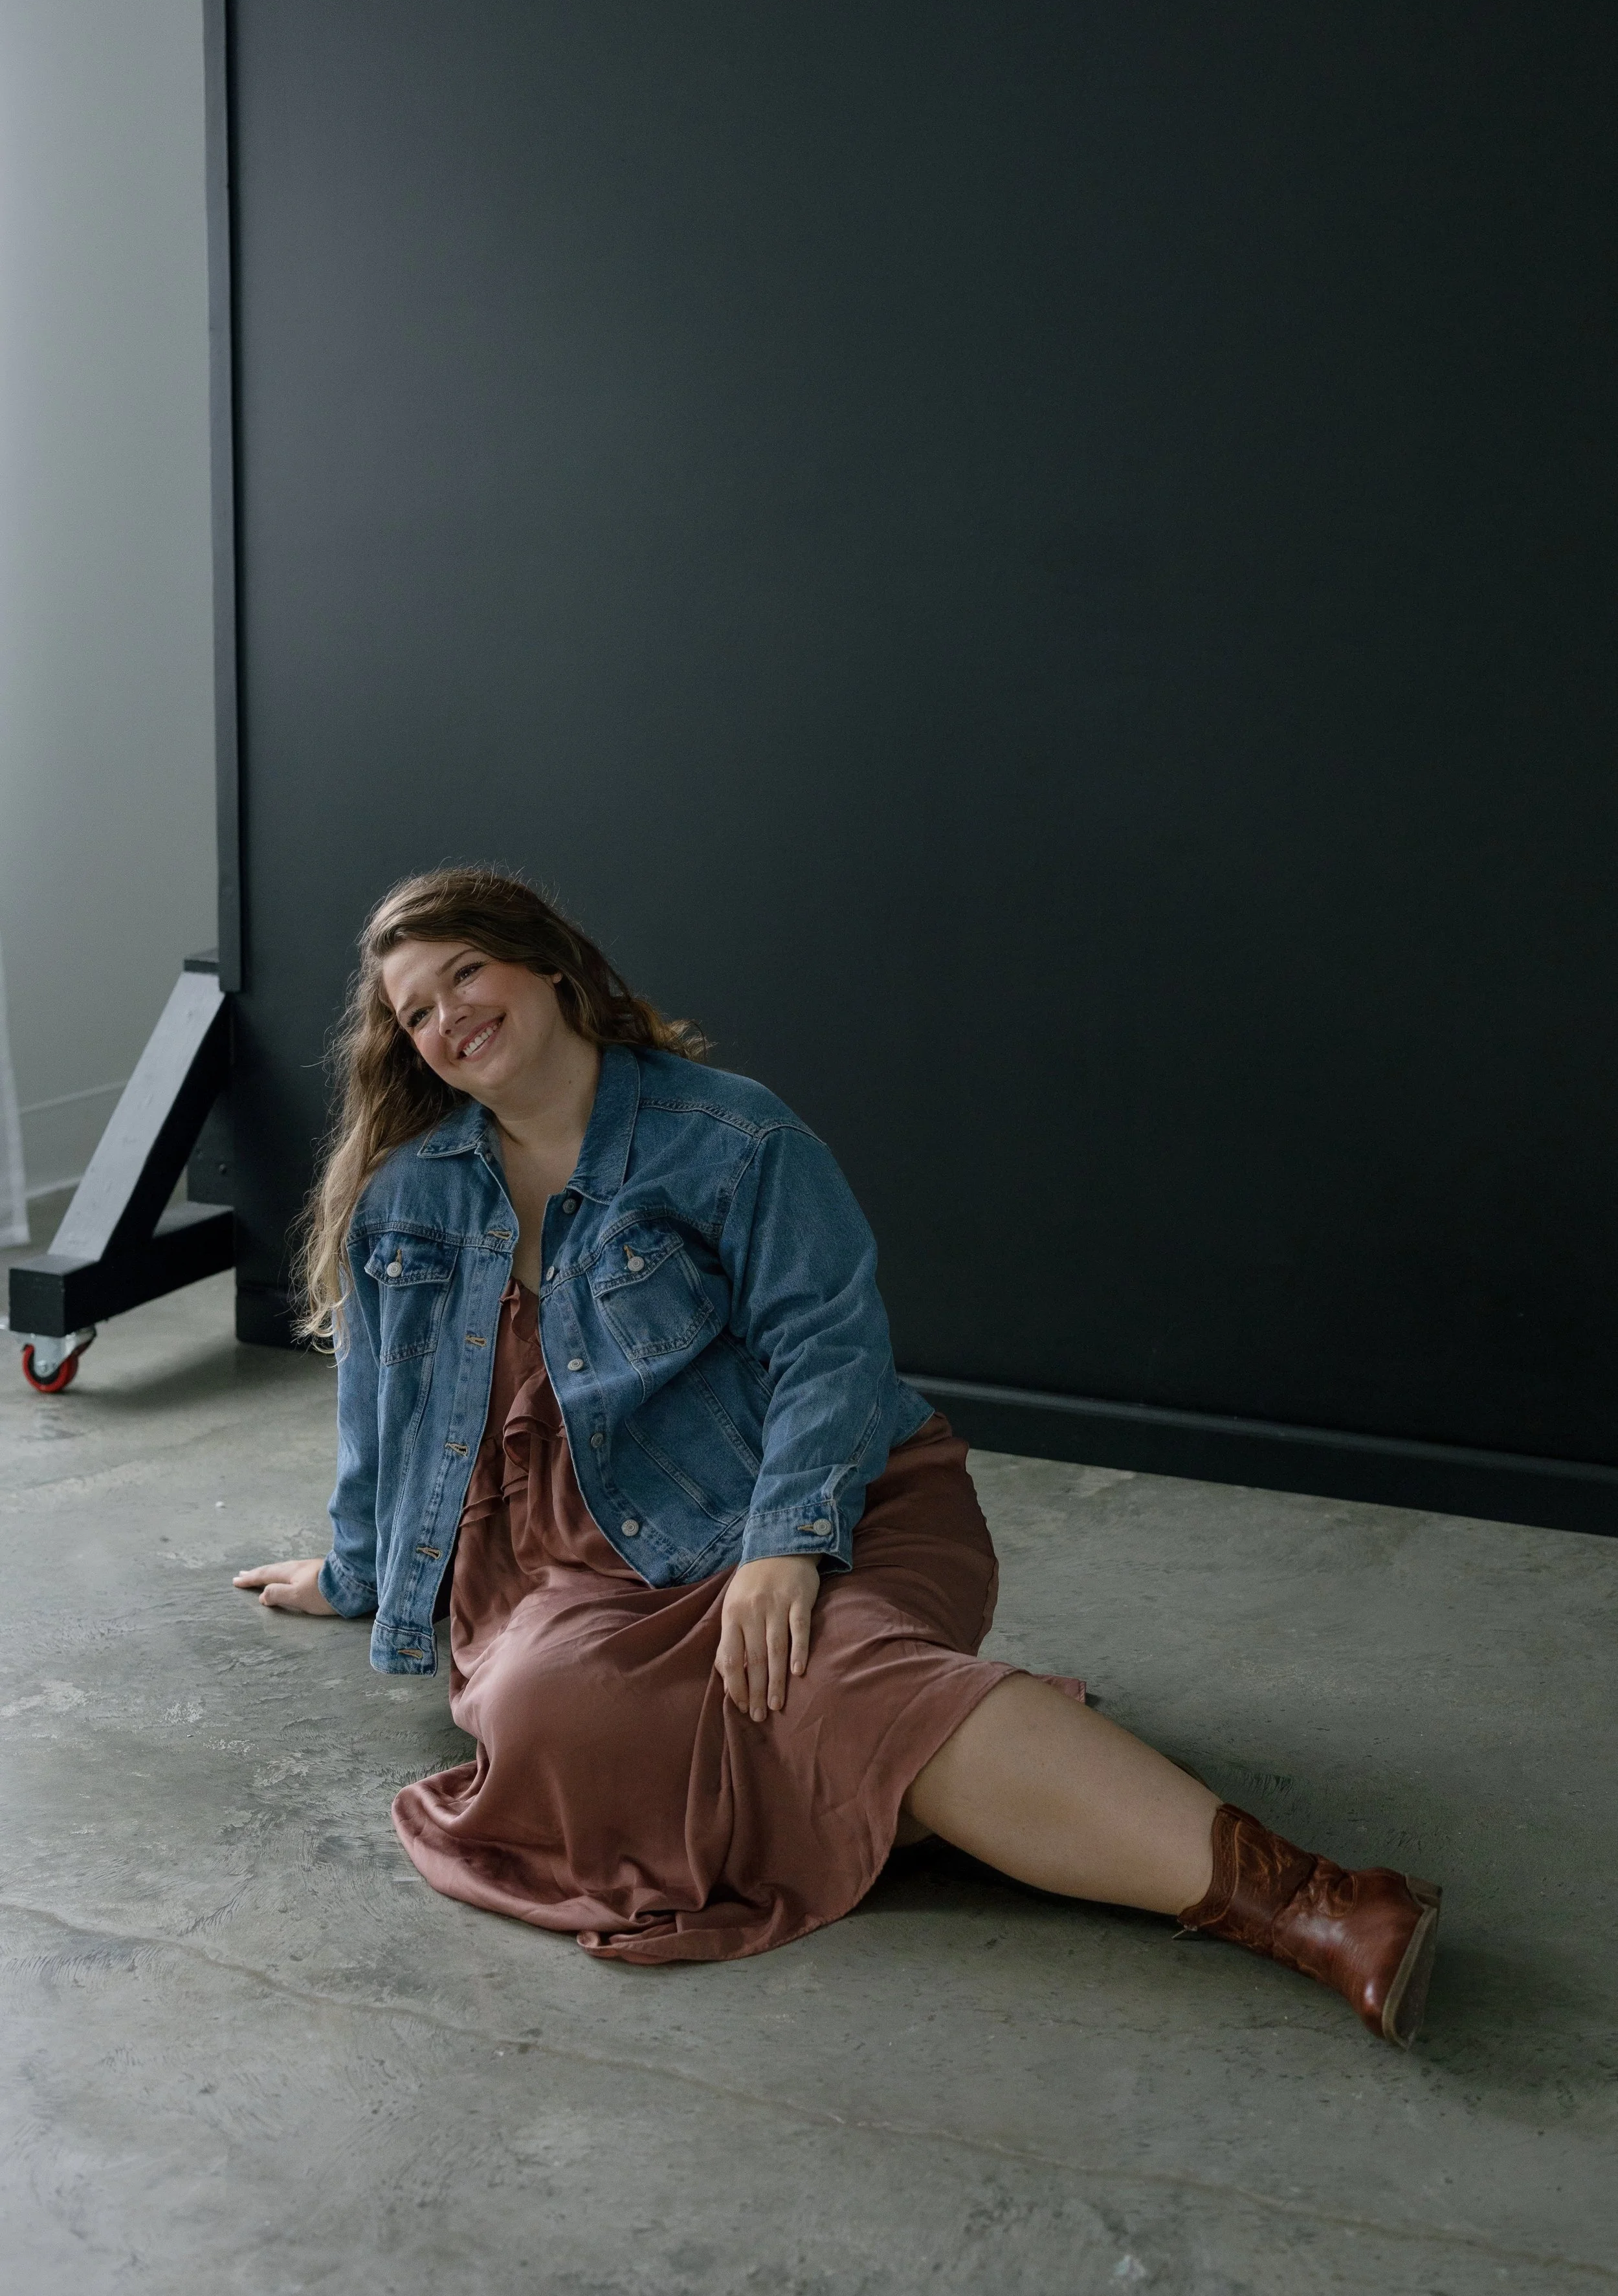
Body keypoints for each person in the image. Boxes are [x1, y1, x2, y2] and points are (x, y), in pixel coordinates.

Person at [234, 866, 1441, 2045]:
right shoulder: (412, 1199)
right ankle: (972, 1770)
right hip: (572, 1571)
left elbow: (832, 1351)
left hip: (838, 1497)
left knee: (833, 1665)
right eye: (417, 1011)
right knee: (548, 1709)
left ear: (548, 964)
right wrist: (352, 1574)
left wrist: (785, 1548)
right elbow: (382, 1417)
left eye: (466, 973)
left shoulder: (729, 1134)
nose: (450, 1018)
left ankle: (1321, 1908)